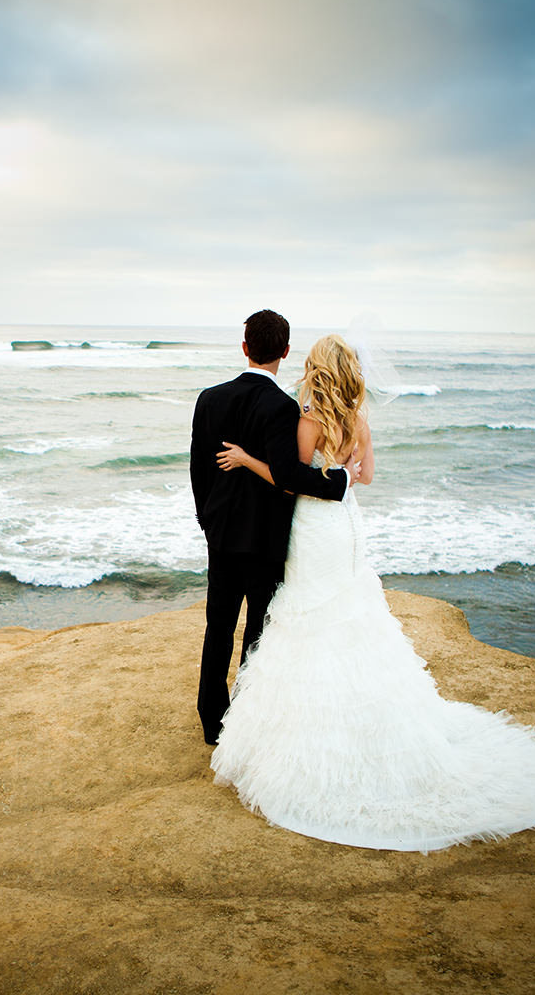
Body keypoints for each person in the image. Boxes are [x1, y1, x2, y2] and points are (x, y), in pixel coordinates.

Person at [210, 334, 535, 851]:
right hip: (347, 527)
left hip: (315, 528)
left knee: (310, 614)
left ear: (317, 368)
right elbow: (367, 476)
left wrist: (248, 460)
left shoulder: (310, 417)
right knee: (351, 612)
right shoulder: (357, 418)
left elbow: (290, 481)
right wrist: (345, 474)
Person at [189, 311, 351, 746]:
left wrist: (209, 521)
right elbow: (287, 475)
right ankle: (243, 716)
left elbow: (198, 472)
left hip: (221, 536)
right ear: (285, 351)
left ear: (244, 347)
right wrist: (340, 483)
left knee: (218, 626)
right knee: (258, 629)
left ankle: (211, 720)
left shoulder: (208, 399)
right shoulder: (283, 407)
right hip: (266, 539)